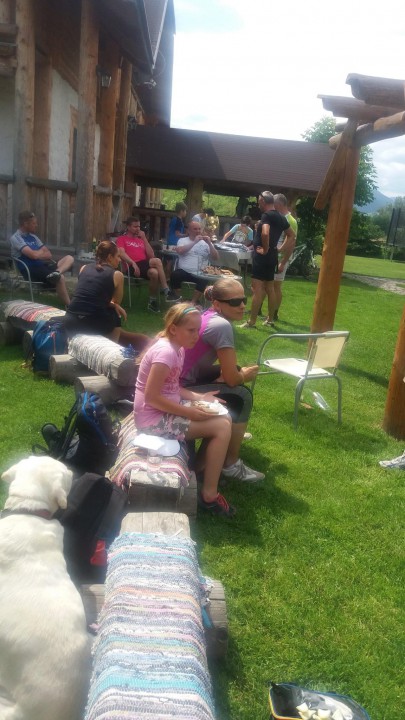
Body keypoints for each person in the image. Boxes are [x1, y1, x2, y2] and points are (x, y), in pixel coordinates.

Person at [134, 303, 235, 517]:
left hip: (163, 411)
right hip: (152, 421)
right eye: (190, 330)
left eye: (197, 330)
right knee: (222, 427)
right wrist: (188, 412)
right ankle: (209, 494)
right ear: (173, 329)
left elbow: (171, 387)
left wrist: (199, 397)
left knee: (224, 418)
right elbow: (151, 397)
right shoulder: (166, 353)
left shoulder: (177, 348)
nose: (196, 336)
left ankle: (199, 471)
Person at [181, 278, 264, 482]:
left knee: (234, 373)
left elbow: (202, 364)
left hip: (181, 379)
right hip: (181, 387)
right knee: (241, 396)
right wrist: (244, 375)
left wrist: (228, 374)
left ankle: (230, 434)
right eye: (235, 302)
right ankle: (230, 464)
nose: (242, 305)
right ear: (217, 304)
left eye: (244, 300)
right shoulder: (221, 325)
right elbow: (233, 380)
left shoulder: (208, 315)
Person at [64, 239, 150, 352]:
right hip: (91, 322)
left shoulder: (83, 268)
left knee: (111, 310)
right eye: (118, 256)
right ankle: (111, 352)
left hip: (71, 319)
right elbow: (116, 301)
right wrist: (115, 305)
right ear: (109, 257)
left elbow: (88, 295)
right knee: (115, 314)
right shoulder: (117, 275)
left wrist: (112, 304)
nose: (119, 260)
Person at [240, 191, 295, 329]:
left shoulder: (266, 215)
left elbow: (265, 232)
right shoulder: (281, 217)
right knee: (270, 288)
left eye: (259, 201)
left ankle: (251, 321)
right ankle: (270, 320)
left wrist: (265, 249)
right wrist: (279, 249)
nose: (258, 204)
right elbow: (291, 235)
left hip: (262, 257)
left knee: (257, 288)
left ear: (263, 201)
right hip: (272, 257)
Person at [9, 210, 74, 306]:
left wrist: (36, 254)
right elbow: (33, 255)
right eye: (34, 223)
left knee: (69, 258)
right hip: (30, 270)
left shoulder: (33, 237)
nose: (36, 225)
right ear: (25, 224)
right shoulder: (16, 238)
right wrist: (39, 253)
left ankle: (56, 273)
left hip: (42, 267)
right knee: (60, 278)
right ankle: (71, 307)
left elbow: (48, 254)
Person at [116, 216, 178, 313]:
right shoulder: (122, 239)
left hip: (143, 266)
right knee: (157, 261)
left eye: (139, 226)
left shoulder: (141, 240)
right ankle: (166, 291)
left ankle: (152, 301)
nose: (138, 229)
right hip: (131, 267)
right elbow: (121, 253)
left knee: (154, 273)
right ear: (128, 227)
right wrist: (132, 263)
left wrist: (144, 238)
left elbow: (151, 255)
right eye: (135, 226)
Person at [170, 220, 220, 304]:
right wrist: (194, 242)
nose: (198, 231)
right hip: (184, 271)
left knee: (203, 279)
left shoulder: (206, 243)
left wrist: (210, 244)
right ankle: (181, 300)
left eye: (199, 229)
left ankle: (193, 302)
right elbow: (180, 251)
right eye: (195, 229)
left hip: (201, 272)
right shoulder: (182, 240)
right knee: (175, 275)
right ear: (189, 231)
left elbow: (216, 258)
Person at [270, 193, 298, 324]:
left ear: (279, 204)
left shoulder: (290, 220)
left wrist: (283, 262)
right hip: (273, 257)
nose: (273, 207)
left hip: (281, 258)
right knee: (268, 285)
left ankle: (274, 313)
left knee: (276, 286)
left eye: (274, 204)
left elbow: (292, 243)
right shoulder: (279, 217)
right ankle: (264, 311)